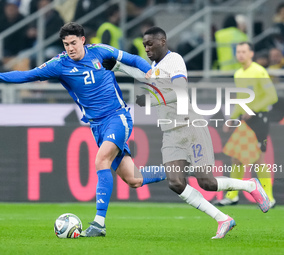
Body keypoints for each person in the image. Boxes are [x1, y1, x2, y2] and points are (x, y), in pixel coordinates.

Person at [0, 22, 166, 237]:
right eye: (66, 44)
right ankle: (177, 171)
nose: (70, 48)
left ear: (83, 40)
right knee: (134, 179)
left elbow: (132, 59)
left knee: (101, 160)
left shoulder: (101, 52)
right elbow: (26, 75)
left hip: (118, 117)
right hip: (97, 126)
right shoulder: (59, 65)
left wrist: (150, 71)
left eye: (73, 43)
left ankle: (98, 224)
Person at [110, 27, 271, 239]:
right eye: (144, 45)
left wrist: (153, 99)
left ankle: (250, 185)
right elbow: (143, 76)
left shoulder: (174, 60)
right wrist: (118, 66)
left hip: (190, 126)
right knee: (175, 182)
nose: (147, 48)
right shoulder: (156, 67)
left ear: (163, 41)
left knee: (207, 182)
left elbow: (181, 92)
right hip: (170, 132)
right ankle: (223, 218)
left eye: (150, 44)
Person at [215, 42, 278, 208]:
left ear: (251, 53)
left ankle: (269, 198)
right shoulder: (238, 74)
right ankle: (232, 196)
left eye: (244, 51)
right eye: (238, 52)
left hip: (260, 118)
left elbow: (272, 96)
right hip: (246, 120)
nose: (241, 54)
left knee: (259, 159)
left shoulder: (259, 71)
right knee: (236, 158)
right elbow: (241, 100)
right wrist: (232, 118)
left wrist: (253, 109)